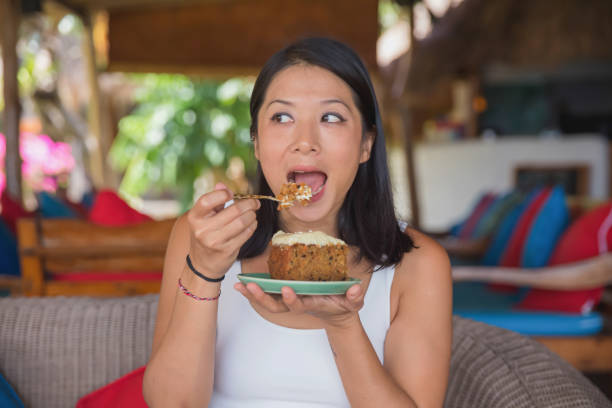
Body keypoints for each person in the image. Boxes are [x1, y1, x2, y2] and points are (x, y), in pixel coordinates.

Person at [143, 37, 452, 408]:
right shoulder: (203, 236)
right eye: (282, 117)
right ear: (256, 143)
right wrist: (204, 273)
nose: (305, 142)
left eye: (331, 117)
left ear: (366, 144)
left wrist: (343, 325)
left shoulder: (417, 265)